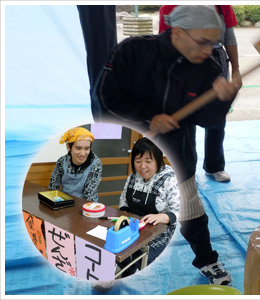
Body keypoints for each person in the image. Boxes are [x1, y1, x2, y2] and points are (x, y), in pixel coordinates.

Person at [91, 5, 234, 285]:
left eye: (214, 43)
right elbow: (106, 96)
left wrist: (222, 100)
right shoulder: (133, 51)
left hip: (175, 152)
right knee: (122, 211)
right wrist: (148, 118)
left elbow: (209, 120)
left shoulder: (208, 67)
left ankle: (207, 260)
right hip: (126, 144)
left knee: (190, 211)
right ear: (177, 32)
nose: (209, 49)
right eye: (203, 41)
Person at [159, 5, 242, 183]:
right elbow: (163, 41)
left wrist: (236, 70)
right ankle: (184, 170)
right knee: (183, 119)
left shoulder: (222, 6)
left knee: (216, 116)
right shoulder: (170, 7)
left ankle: (215, 166)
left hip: (216, 61)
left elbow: (229, 37)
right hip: (181, 62)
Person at [117, 137, 180, 277]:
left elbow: (177, 211)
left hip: (160, 230)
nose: (142, 166)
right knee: (118, 247)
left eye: (148, 161)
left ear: (158, 160)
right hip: (134, 226)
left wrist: (161, 217)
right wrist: (125, 214)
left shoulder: (169, 178)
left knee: (143, 257)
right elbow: (123, 199)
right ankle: (126, 272)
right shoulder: (133, 177)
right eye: (138, 161)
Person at [49, 127, 102, 202]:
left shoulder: (95, 164)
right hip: (64, 202)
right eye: (78, 148)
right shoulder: (62, 161)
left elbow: (89, 196)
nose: (83, 154)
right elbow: (53, 187)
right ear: (68, 147)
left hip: (85, 206)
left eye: (86, 149)